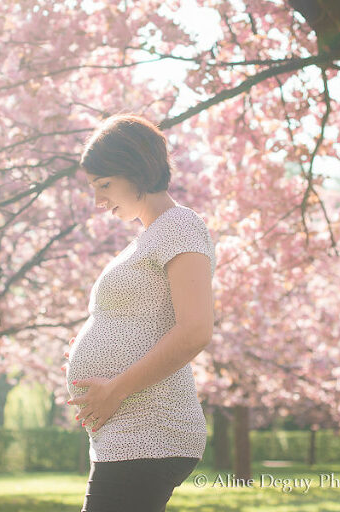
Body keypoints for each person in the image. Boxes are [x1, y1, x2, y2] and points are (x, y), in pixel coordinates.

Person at [63, 113, 216, 512]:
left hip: (151, 431)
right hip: (128, 435)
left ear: (135, 170)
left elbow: (196, 329)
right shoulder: (149, 237)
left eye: (105, 185)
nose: (98, 201)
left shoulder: (179, 226)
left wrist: (116, 386)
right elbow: (146, 318)